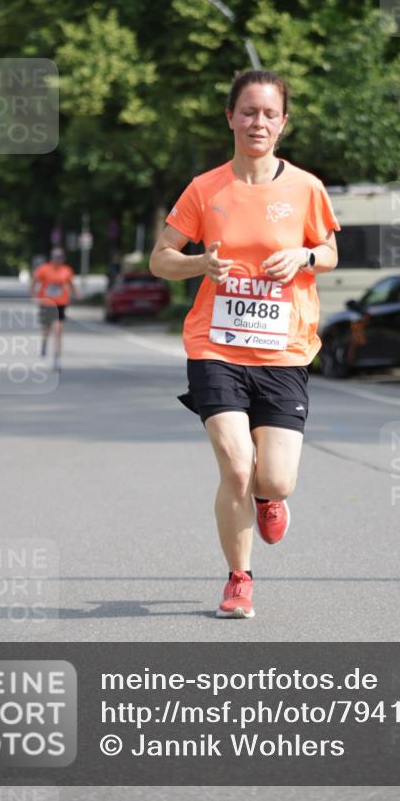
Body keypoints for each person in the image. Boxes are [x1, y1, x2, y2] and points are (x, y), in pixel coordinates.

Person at [149, 69, 339, 618]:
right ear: (230, 117)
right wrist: (198, 263)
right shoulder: (206, 189)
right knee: (235, 465)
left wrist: (302, 256)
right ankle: (239, 579)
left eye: (269, 114)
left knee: (274, 476)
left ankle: (268, 496)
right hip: (216, 346)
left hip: (283, 351)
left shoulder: (306, 188)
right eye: (248, 111)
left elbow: (327, 252)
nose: (258, 122)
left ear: (284, 123)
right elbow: (161, 258)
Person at [31, 247, 81, 371]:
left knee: (58, 331)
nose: (57, 260)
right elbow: (34, 282)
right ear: (52, 258)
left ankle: (57, 360)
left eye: (60, 258)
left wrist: (77, 293)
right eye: (55, 257)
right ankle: (44, 343)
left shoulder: (67, 270)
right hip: (47, 303)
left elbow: (71, 284)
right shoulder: (44, 269)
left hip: (60, 304)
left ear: (63, 258)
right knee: (46, 328)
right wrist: (34, 295)